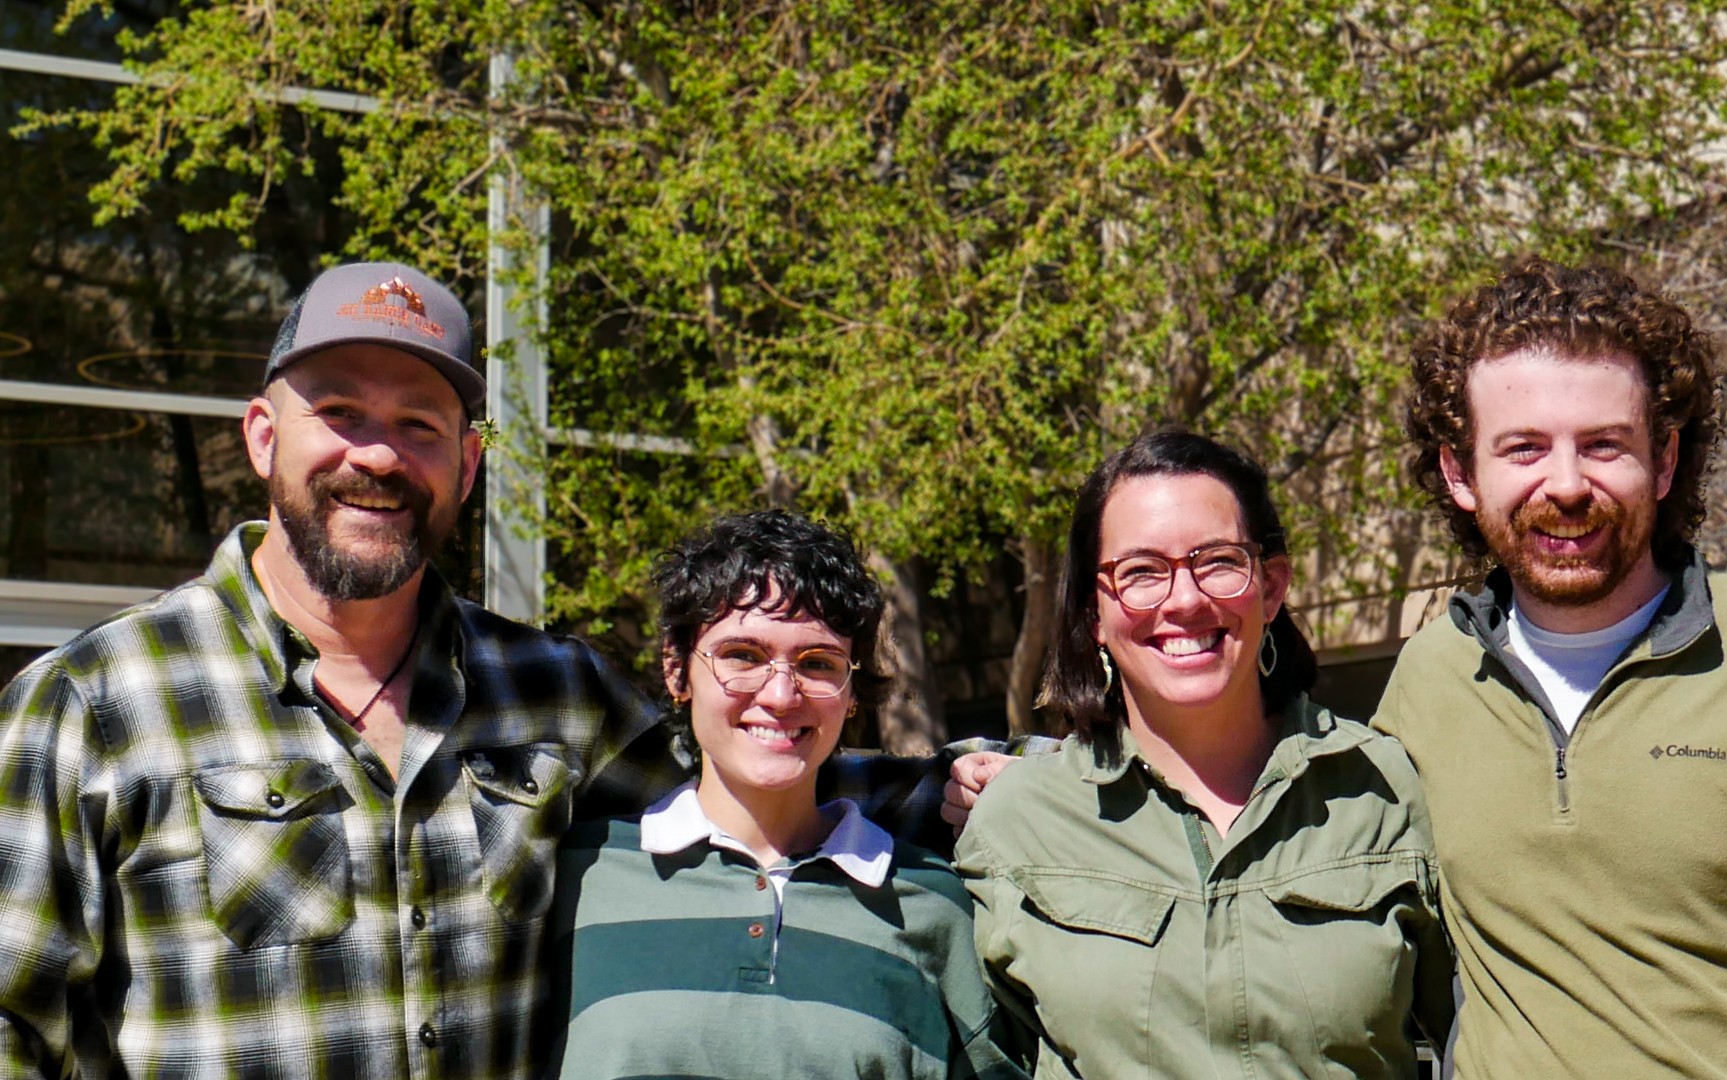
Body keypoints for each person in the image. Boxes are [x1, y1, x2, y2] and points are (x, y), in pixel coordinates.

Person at [0, 262, 948, 1079]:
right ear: (261, 437)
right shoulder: (92, 704)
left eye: (419, 424)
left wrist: (959, 786)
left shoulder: (551, 692)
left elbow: (746, 775)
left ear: (468, 461)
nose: (375, 455)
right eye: (338, 413)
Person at [1379, 256, 1727, 1078]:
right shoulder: (1428, 685)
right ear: (1461, 473)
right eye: (1523, 448)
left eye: (1604, 444)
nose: (1565, 484)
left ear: (1664, 461)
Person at [954, 429, 1453, 1079]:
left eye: (1217, 561)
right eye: (1140, 572)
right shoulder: (1015, 821)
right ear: (1092, 612)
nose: (1185, 600)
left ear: (1270, 587)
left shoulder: (1388, 791)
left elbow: (1482, 1042)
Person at [545, 510, 1023, 1079]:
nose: (779, 693)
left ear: (851, 692)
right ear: (677, 673)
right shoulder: (575, 874)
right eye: (741, 656)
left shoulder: (933, 902)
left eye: (817, 663)